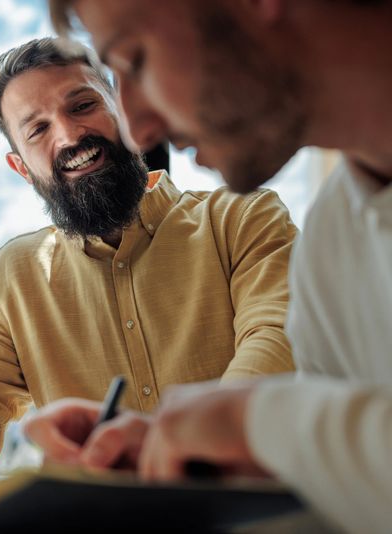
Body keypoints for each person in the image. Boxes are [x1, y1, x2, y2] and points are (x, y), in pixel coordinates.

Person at [0, 37, 297, 486]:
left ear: (124, 112)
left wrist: (170, 444)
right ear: (21, 168)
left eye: (83, 106)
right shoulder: (13, 277)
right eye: (38, 129)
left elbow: (277, 346)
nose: (68, 135)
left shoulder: (243, 219)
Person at [26, 1, 392, 531]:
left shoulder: (271, 229)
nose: (137, 131)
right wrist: (182, 455)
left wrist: (257, 424)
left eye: (136, 60)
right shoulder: (336, 239)